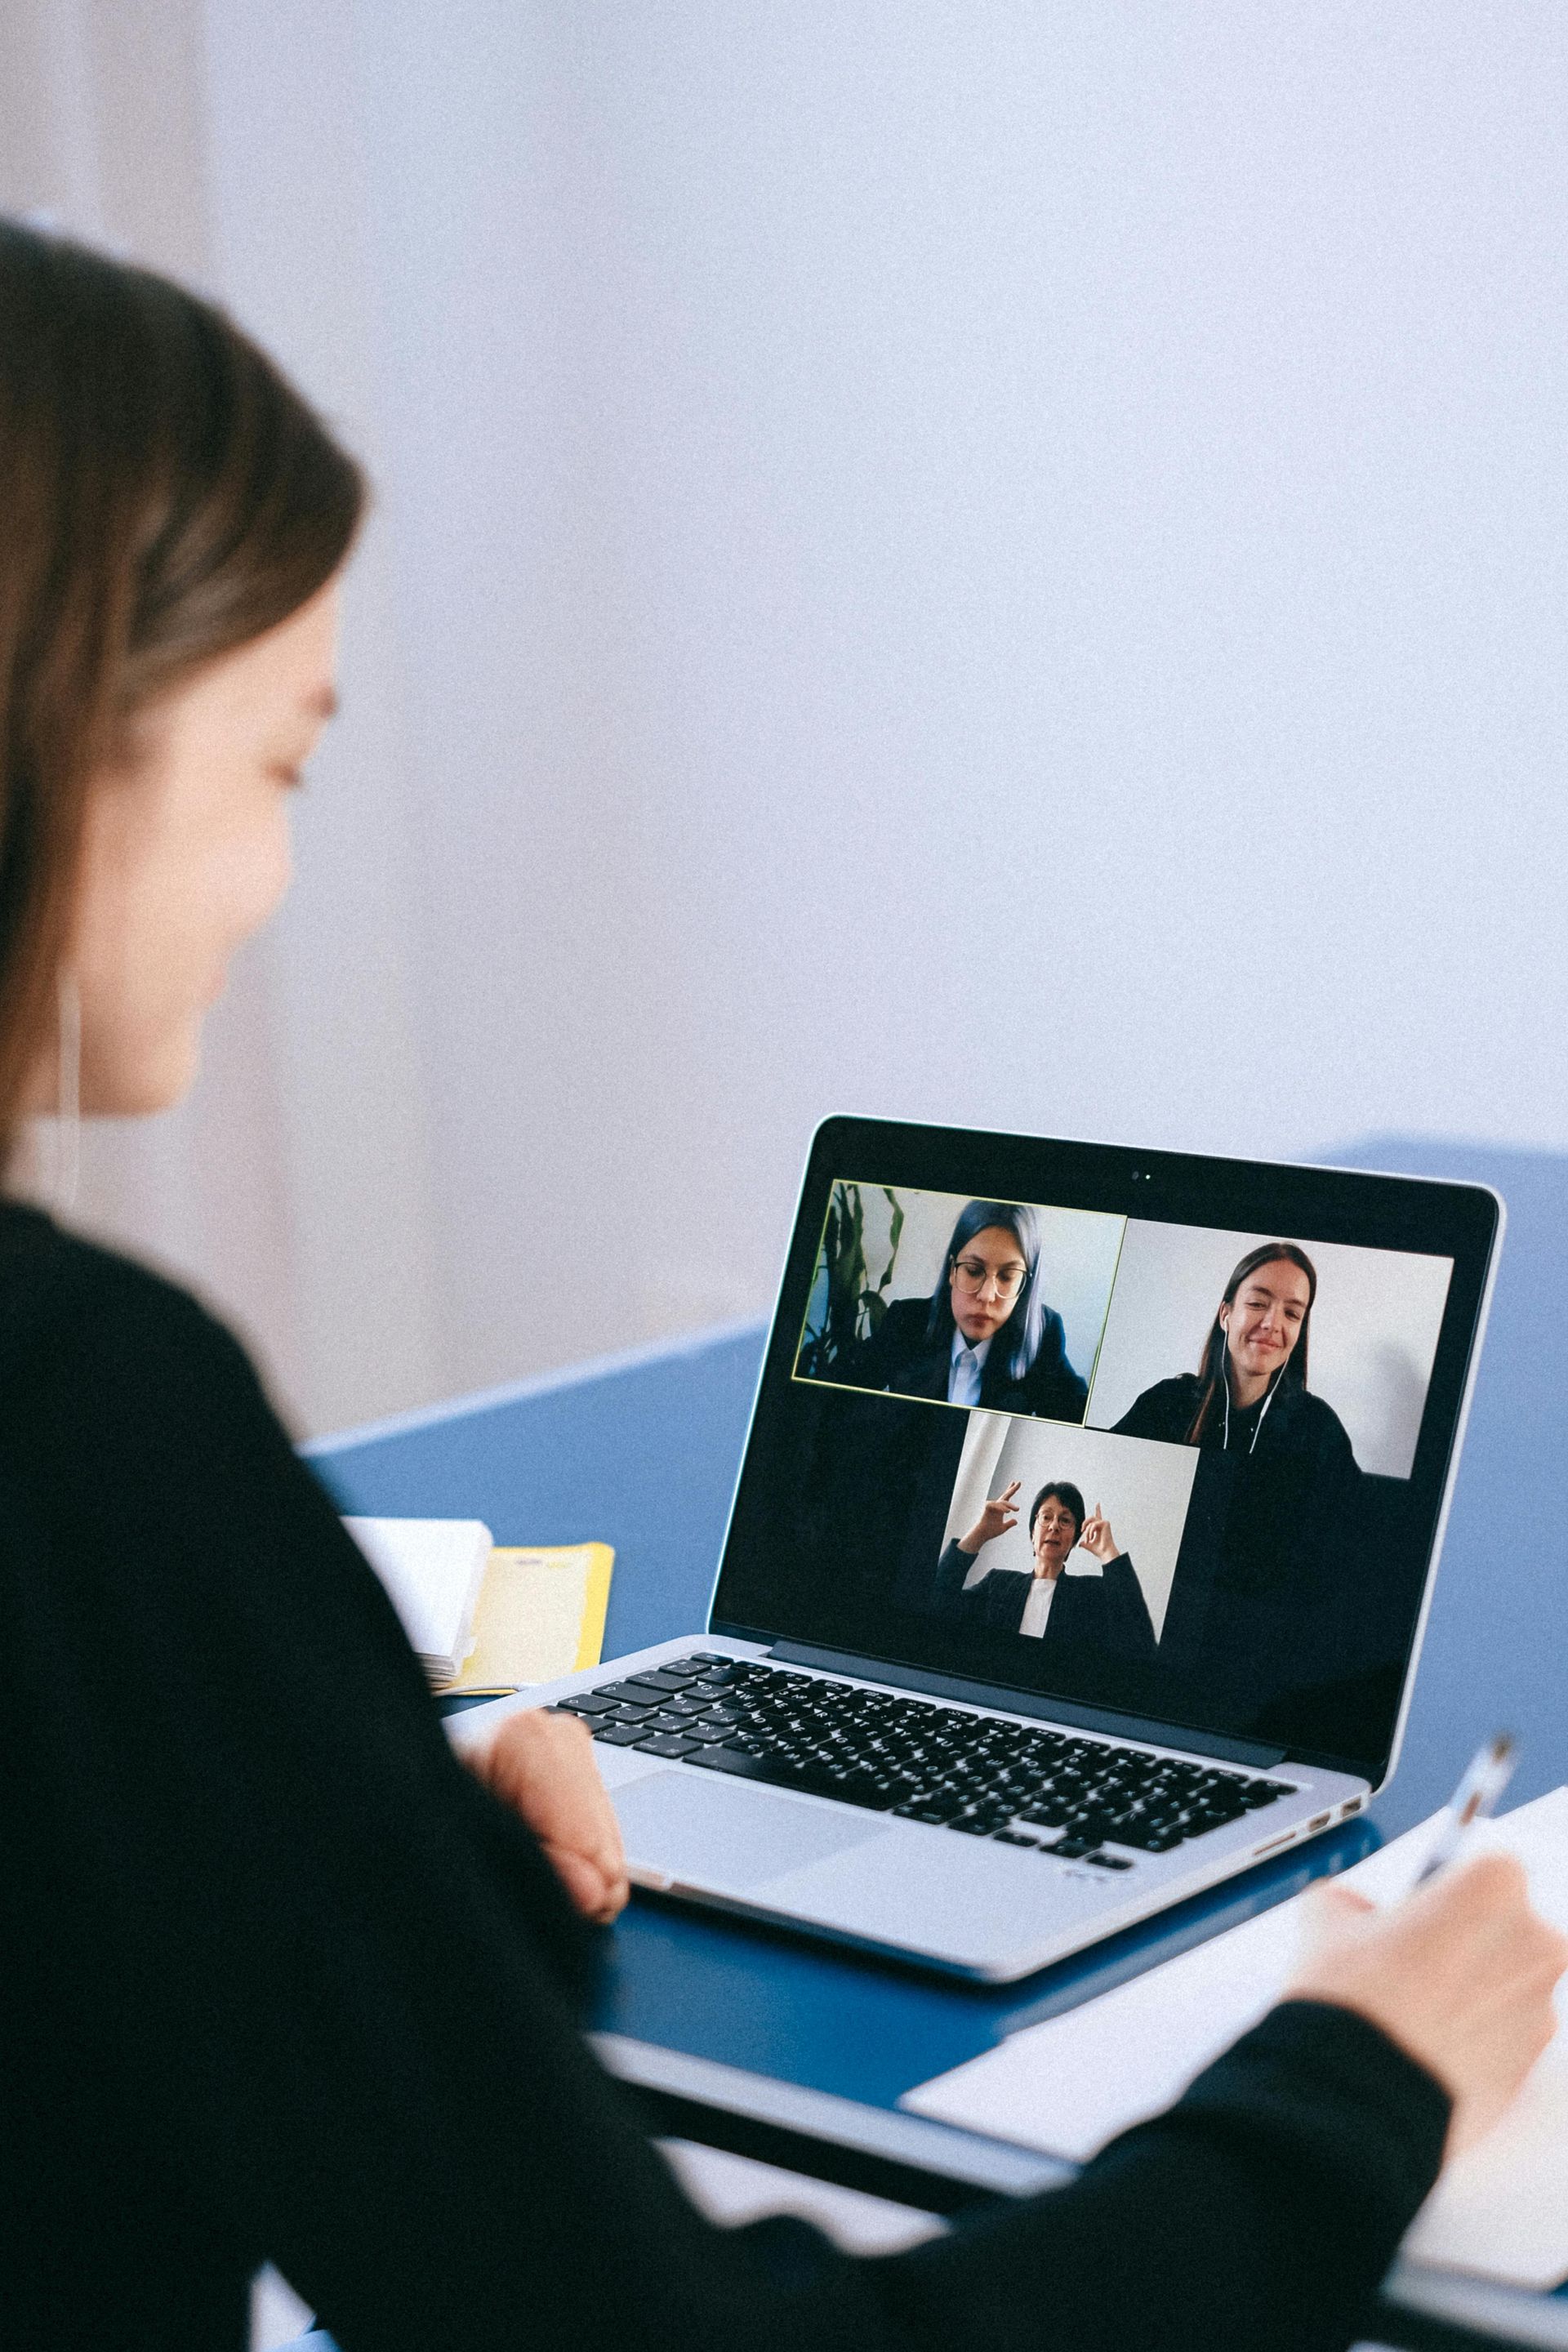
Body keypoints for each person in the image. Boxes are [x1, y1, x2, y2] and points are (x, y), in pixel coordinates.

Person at [2, 216, 1565, 2352]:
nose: (277, 877)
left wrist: (353, 1861)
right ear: (70, 718)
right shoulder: (87, 1426)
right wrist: (1351, 2083)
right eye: (281, 763)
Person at [1114, 1241, 1356, 1472]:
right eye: (1257, 1303)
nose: (1273, 1324)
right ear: (1225, 1315)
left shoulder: (1318, 1428)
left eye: (1292, 1313)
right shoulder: (1165, 1404)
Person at [846, 1197, 1089, 1421]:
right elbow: (837, 1393)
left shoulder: (1044, 1337)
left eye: (1007, 1276)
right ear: (953, 1270)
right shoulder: (907, 1321)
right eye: (973, 1271)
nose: (986, 1295)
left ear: (1025, 1284)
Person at [933, 1477, 1156, 1659]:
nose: (1054, 1526)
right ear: (1032, 1533)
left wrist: (1109, 1553)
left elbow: (1141, 1646)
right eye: (1046, 1517)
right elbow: (934, 1605)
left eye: (1065, 1520)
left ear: (1074, 1538)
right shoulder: (997, 1584)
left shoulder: (1092, 1594)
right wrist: (979, 1534)